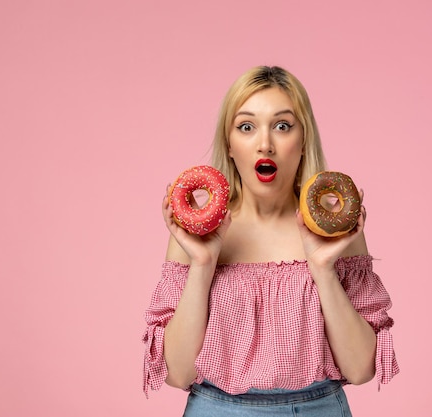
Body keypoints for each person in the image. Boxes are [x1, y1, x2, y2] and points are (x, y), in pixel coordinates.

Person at [142, 66, 399, 416]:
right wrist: (203, 264)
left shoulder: (337, 230)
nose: (265, 143)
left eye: (282, 126)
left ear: (303, 139)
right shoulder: (196, 234)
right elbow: (179, 373)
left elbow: (360, 369)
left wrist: (322, 268)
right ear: (230, 145)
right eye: (246, 127)